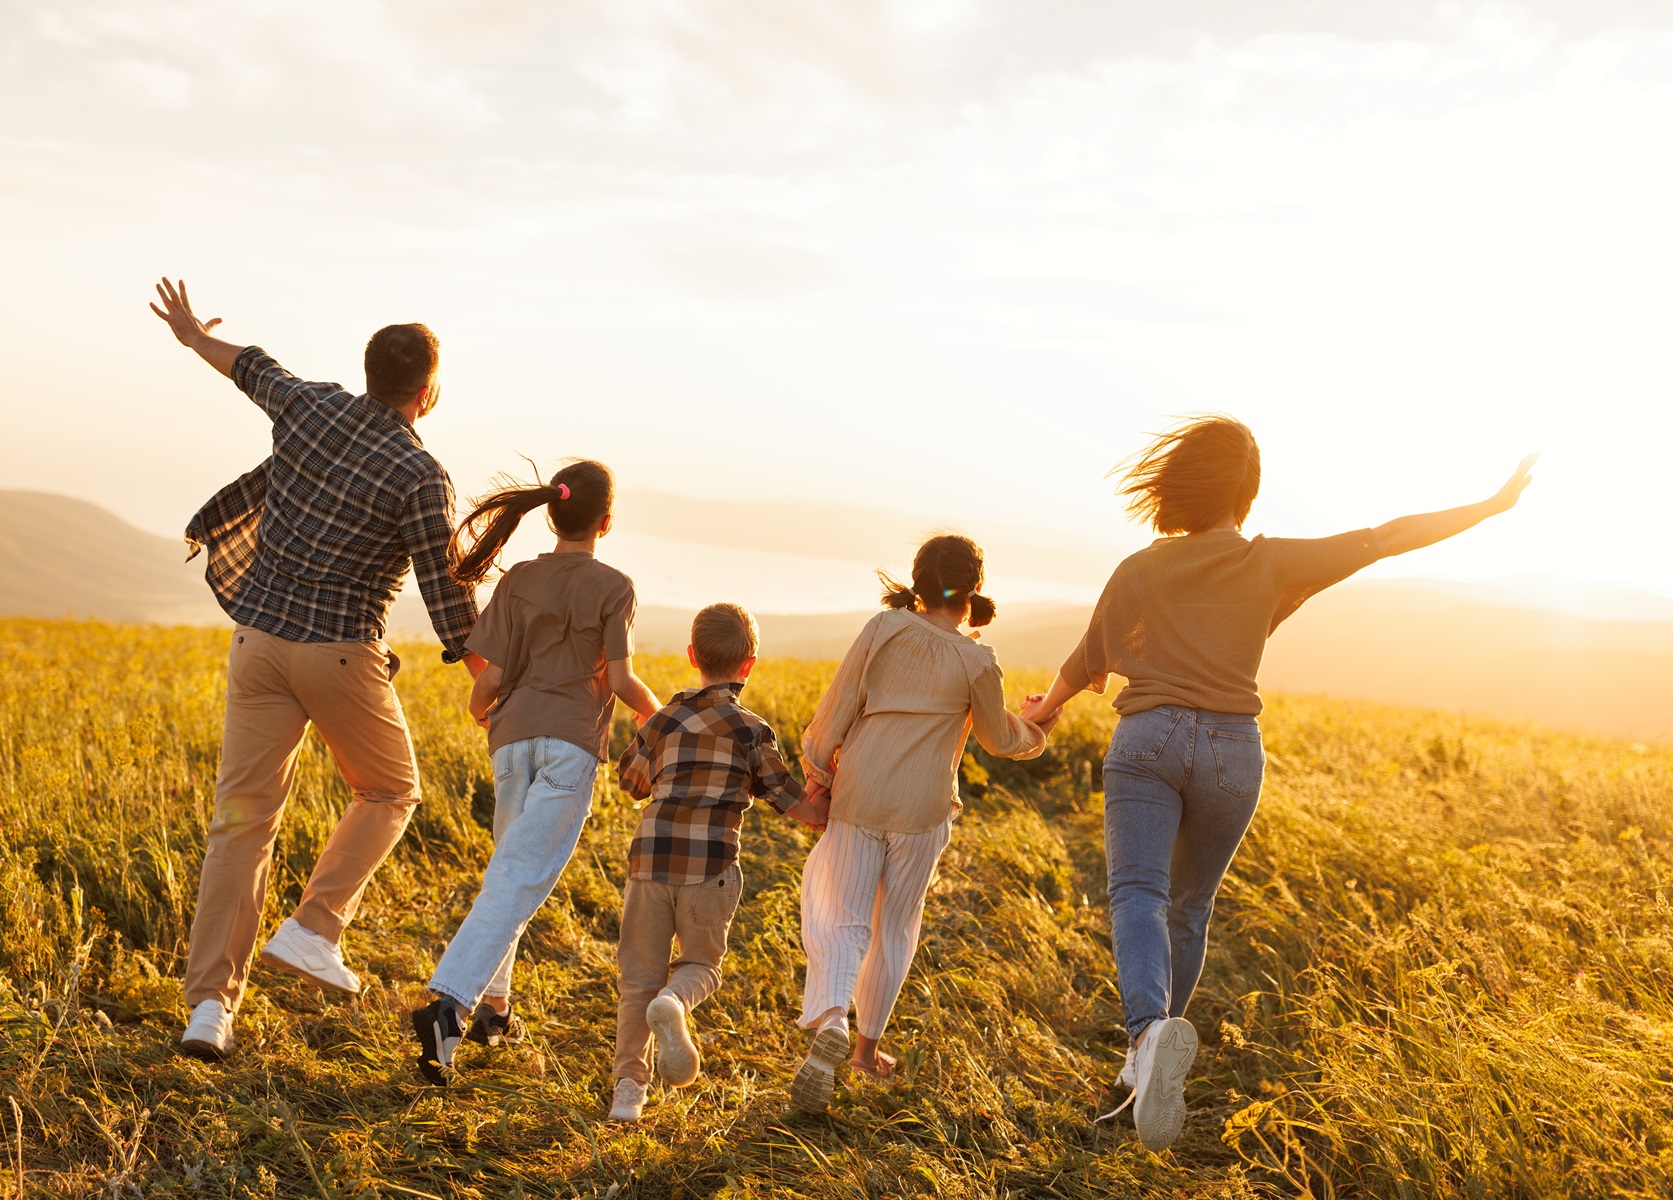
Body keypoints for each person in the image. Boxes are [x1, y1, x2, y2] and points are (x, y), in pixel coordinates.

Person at [1018, 417, 1535, 1151]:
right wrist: (1487, 506)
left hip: (1148, 737)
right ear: (1246, 492)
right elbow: (1388, 536)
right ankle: (1147, 1065)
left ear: (1180, 487)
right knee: (1189, 909)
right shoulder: (1271, 564)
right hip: (1233, 748)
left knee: (1138, 892)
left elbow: (1083, 657)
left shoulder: (1139, 567)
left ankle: (1144, 1043)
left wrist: (1044, 710)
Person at [150, 279, 484, 1061]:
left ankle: (208, 1009)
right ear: (427, 392)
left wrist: (194, 335)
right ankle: (313, 927)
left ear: (369, 372)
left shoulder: (312, 404)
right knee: (391, 789)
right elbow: (447, 603)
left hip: (257, 645)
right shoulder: (419, 474)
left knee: (240, 821)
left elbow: (253, 365)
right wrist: (489, 674)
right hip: (340, 652)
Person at [410, 459, 662, 1085]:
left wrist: (481, 713)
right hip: (570, 744)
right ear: (606, 521)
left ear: (552, 512)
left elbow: (489, 678)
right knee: (520, 876)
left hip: (511, 739)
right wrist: (661, 723)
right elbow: (623, 680)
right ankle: (450, 1004)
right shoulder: (615, 586)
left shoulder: (519, 577)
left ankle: (495, 1008)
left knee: (508, 873)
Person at [791, 534, 1049, 1112]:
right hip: (923, 809)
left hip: (861, 791)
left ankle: (831, 1015)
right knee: (894, 928)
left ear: (917, 579)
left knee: (841, 914)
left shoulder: (882, 629)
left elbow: (834, 712)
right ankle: (863, 1052)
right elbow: (1001, 738)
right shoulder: (978, 659)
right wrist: (1041, 726)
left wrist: (819, 777)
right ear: (974, 586)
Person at [607, 603, 830, 1121]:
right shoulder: (752, 730)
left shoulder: (664, 718)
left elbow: (630, 783)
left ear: (692, 656)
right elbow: (802, 808)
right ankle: (676, 1003)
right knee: (702, 965)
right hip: (709, 866)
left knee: (636, 979)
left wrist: (654, 742)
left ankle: (628, 1094)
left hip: (650, 858)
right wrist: (829, 785)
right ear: (749, 664)